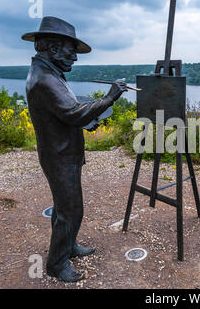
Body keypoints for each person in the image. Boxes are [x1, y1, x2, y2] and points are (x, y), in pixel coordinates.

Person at [22, 16, 127, 282]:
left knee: (63, 207)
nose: (75, 59)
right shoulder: (45, 79)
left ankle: (68, 247)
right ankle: (56, 264)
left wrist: (87, 118)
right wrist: (109, 97)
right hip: (59, 157)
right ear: (53, 48)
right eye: (71, 52)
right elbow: (72, 111)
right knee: (71, 210)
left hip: (62, 152)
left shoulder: (50, 72)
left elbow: (66, 110)